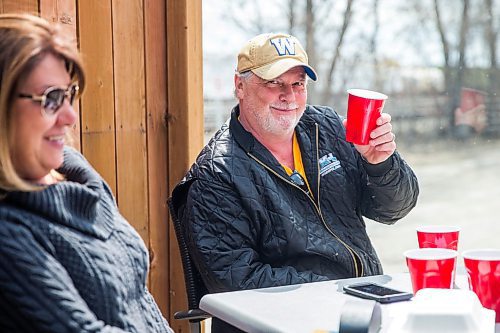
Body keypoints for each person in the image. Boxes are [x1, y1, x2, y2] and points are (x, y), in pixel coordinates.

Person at [171, 33, 419, 331]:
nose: (289, 95)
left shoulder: (327, 127)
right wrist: (342, 289)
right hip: (287, 322)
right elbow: (239, 284)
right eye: (274, 83)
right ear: (239, 86)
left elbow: (393, 210)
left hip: (357, 310)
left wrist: (379, 164)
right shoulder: (217, 173)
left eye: (298, 83)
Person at [0, 13, 173, 333]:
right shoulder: (9, 233)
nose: (70, 117)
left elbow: (137, 300)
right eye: (50, 99)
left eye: (68, 95)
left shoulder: (78, 177)